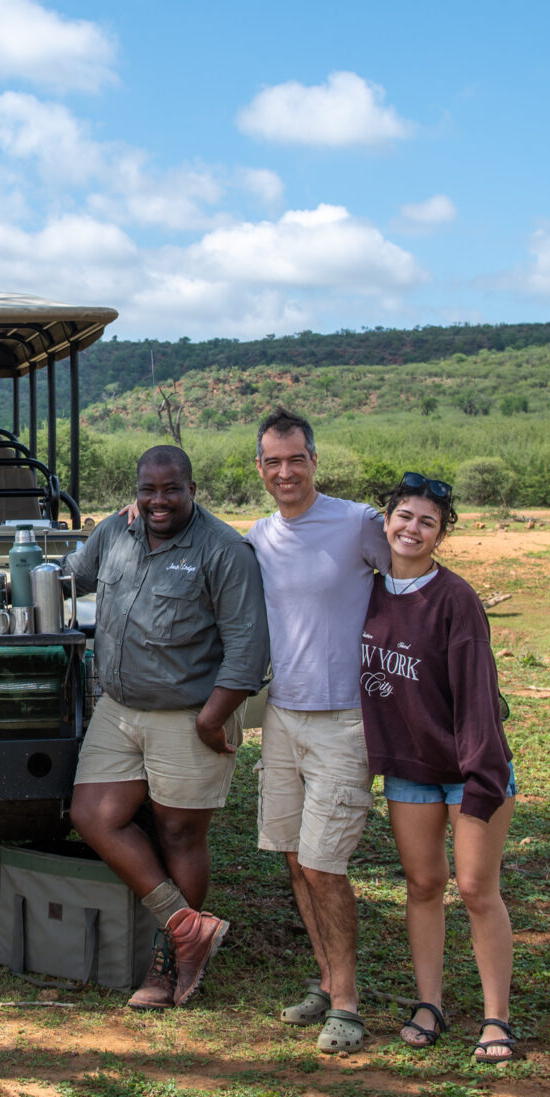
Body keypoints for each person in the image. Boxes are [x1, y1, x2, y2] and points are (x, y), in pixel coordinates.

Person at [64, 445, 270, 1011]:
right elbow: (72, 577)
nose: (159, 501)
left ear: (191, 489)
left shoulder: (225, 551)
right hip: (118, 706)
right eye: (148, 489)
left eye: (170, 490)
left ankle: (167, 960)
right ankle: (188, 927)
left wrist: (211, 719)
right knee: (92, 814)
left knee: (179, 833)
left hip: (189, 712)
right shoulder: (115, 533)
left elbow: (249, 651)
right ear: (136, 489)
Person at [244, 408, 393, 1054]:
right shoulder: (258, 535)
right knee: (294, 858)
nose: (285, 471)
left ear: (314, 461)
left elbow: (409, 584)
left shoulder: (359, 523)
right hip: (282, 715)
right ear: (260, 468)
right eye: (273, 461)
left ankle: (350, 1005)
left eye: (296, 458)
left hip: (344, 719)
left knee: (326, 864)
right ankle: (329, 982)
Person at [359, 473, 518, 1063]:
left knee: (477, 888)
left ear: (441, 534)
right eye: (404, 516)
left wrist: (482, 778)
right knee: (424, 885)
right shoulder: (367, 593)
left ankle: (496, 1016)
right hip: (410, 769)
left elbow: (479, 698)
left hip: (471, 768)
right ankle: (430, 1003)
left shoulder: (455, 599)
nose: (412, 528)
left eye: (427, 521)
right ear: (386, 521)